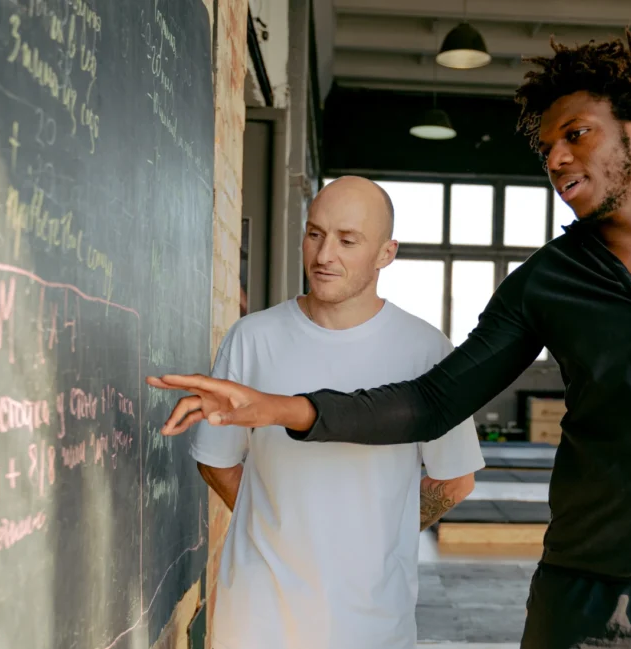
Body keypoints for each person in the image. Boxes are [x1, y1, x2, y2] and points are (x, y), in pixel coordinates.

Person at [149, 31, 631, 649]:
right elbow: (431, 401)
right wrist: (279, 407)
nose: (555, 157)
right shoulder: (548, 280)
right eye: (546, 145)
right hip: (583, 597)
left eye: (576, 134)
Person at [183, 175, 485, 649]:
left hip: (372, 619)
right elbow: (216, 460)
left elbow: (454, 480)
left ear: (387, 253)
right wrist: (280, 528)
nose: (324, 256)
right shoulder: (252, 338)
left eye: (348, 240)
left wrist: (377, 536)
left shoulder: (427, 350)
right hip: (258, 614)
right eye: (315, 234)